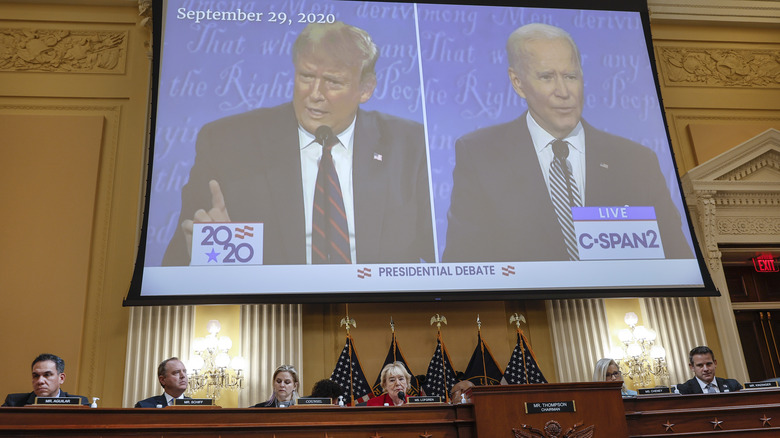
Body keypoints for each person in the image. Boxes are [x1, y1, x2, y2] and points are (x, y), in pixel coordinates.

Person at [163, 21, 434, 266]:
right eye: (306, 77)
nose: (315, 95)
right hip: (271, 312)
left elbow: (438, 260)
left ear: (365, 89)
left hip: (376, 312)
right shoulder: (229, 143)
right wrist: (216, 254)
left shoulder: (408, 144)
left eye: (332, 82)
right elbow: (178, 263)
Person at [443, 23, 693, 263]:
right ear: (517, 82)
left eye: (570, 76)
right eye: (547, 77)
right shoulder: (480, 154)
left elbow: (676, 257)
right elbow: (463, 261)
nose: (563, 92)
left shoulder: (636, 160)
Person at [2, 353, 88, 406]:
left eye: (47, 375)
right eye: (36, 376)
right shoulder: (13, 403)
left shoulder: (79, 403)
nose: (40, 381)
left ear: (61, 378)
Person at [676, 346, 742, 394]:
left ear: (715, 363)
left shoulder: (732, 385)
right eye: (700, 365)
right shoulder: (684, 390)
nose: (706, 369)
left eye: (709, 364)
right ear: (692, 367)